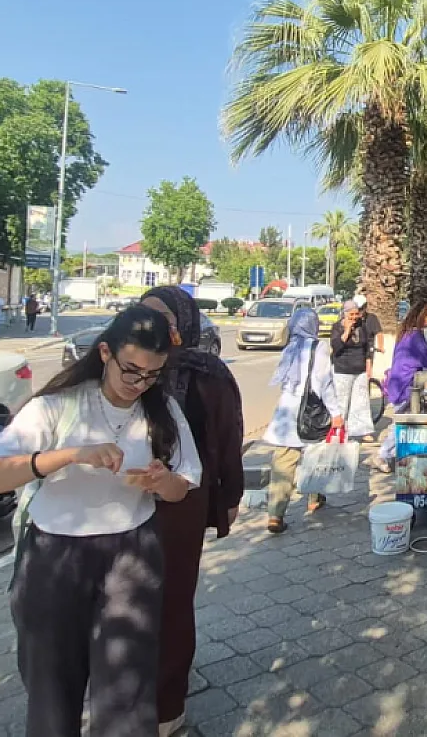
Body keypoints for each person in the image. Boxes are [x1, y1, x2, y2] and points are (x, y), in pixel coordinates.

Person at [0, 306, 201, 737]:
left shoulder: (161, 409)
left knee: (127, 686)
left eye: (152, 375)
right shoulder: (56, 407)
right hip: (55, 555)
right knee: (51, 683)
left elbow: (182, 487)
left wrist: (162, 480)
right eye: (130, 370)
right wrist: (69, 455)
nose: (138, 384)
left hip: (132, 553)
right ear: (105, 353)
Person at [138, 287, 246, 737]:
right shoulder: (127, 366)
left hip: (183, 501)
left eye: (161, 317)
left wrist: (231, 498)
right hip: (124, 498)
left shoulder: (209, 373)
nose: (149, 326)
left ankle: (167, 706)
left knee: (171, 602)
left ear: (183, 324)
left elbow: (227, 442)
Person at [262, 308, 342, 533]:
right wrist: (335, 413)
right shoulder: (319, 348)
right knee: (315, 455)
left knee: (283, 462)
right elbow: (323, 384)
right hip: (309, 412)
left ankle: (275, 514)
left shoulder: (291, 347)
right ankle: (314, 498)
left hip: (286, 412)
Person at [374, 301, 427, 473]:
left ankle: (393, 454)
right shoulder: (414, 336)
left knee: (405, 421)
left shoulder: (407, 332)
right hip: (405, 384)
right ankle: (383, 454)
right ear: (422, 316)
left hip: (399, 382)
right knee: (402, 423)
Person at [330, 298, 379, 441]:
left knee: (361, 402)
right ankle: (339, 431)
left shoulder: (362, 327)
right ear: (344, 314)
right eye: (351, 315)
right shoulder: (337, 327)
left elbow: (367, 347)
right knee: (342, 401)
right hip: (342, 369)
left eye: (356, 314)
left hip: (360, 369)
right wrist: (346, 331)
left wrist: (368, 365)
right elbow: (336, 347)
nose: (354, 318)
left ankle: (362, 430)